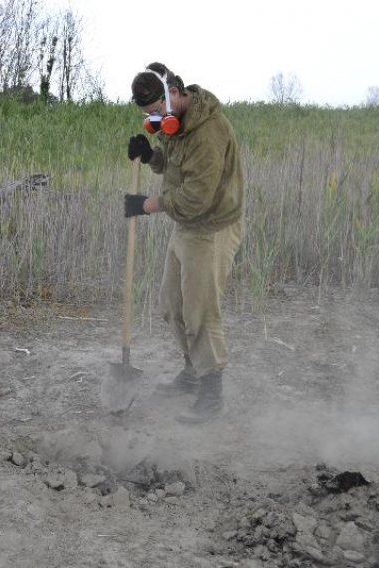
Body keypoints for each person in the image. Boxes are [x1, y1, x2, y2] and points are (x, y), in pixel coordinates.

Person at [125, 63, 245, 424]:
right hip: (186, 227)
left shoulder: (209, 132)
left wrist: (148, 205)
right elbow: (175, 168)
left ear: (173, 93)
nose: (156, 120)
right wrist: (151, 156)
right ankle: (193, 372)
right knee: (171, 306)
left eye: (156, 111)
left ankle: (211, 394)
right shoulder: (176, 120)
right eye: (148, 116)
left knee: (200, 313)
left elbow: (196, 196)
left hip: (210, 228)